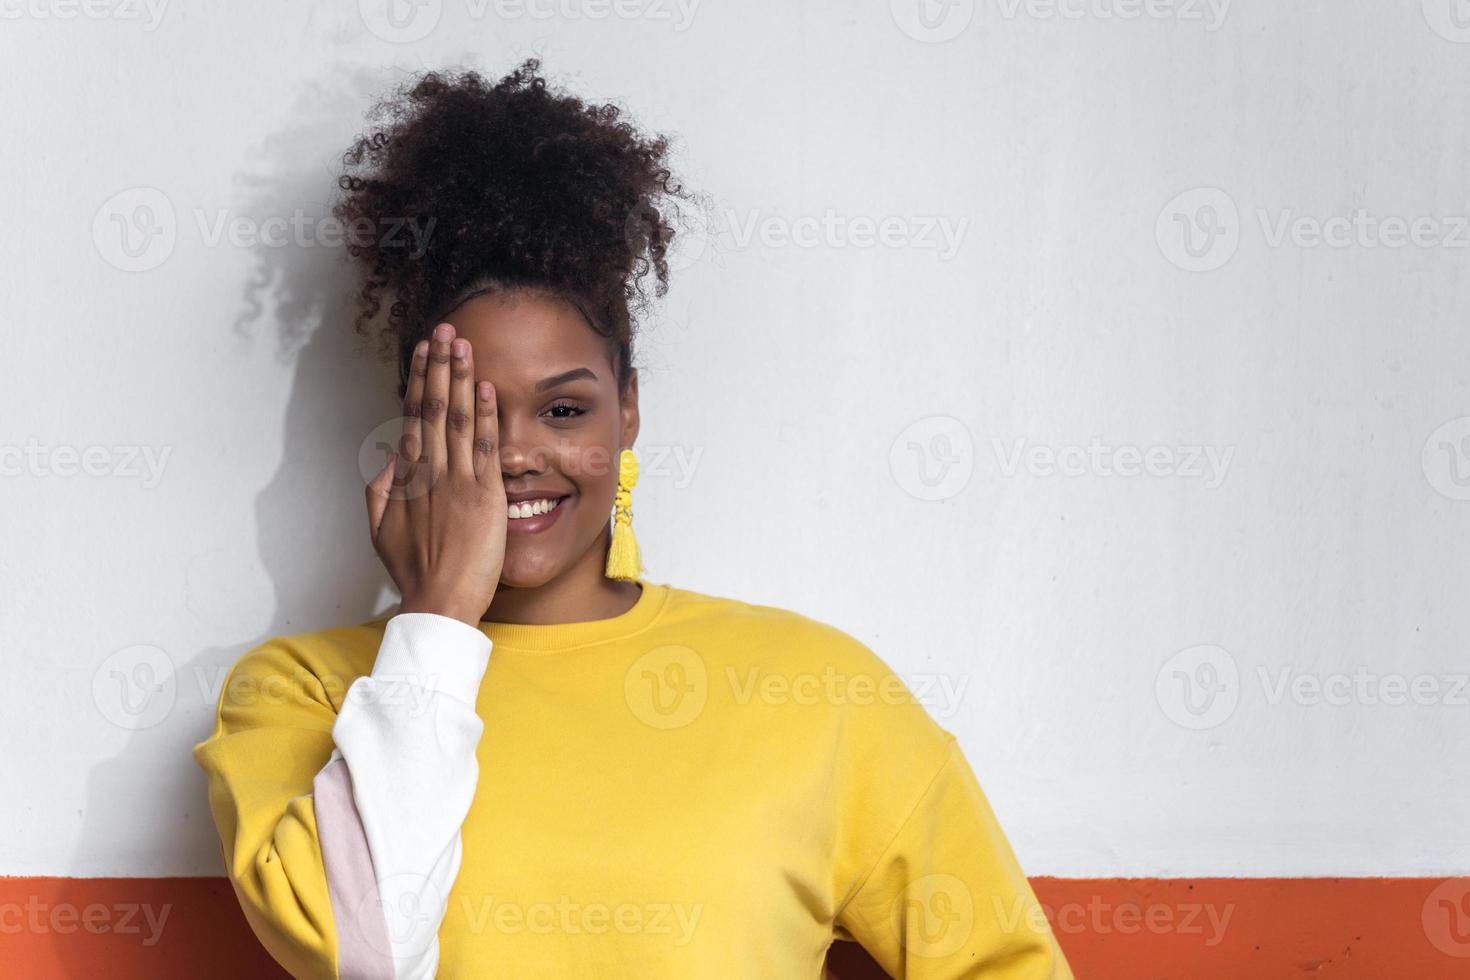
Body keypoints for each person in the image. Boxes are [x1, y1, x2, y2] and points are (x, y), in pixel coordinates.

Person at [192, 57, 1073, 980]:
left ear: (630, 408)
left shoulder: (820, 693)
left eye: (564, 409)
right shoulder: (297, 693)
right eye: (475, 415)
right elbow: (362, 950)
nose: (519, 453)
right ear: (419, 424)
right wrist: (439, 615)